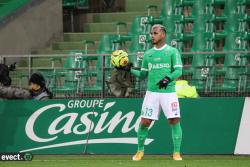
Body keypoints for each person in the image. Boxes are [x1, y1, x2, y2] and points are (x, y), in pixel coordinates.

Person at [128, 24, 183, 161]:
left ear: (163, 34)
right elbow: (143, 75)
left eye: (155, 33)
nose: (152, 35)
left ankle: (176, 152)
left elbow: (178, 70)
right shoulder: (148, 54)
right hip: (151, 93)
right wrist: (129, 69)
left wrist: (167, 79)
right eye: (151, 33)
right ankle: (140, 151)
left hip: (168, 92)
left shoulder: (172, 51)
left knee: (174, 120)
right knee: (145, 122)